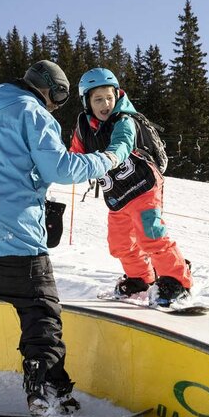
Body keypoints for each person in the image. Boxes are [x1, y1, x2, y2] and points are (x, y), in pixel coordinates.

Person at [0, 60, 130, 415]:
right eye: (59, 96)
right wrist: (109, 157)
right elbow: (60, 168)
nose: (56, 105)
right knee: (40, 312)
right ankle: (44, 386)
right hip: (14, 234)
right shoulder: (32, 112)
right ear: (50, 88)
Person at [69, 67, 193, 307]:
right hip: (118, 195)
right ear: (87, 102)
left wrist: (109, 158)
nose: (105, 103)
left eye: (109, 97)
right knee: (120, 243)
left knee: (151, 235)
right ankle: (140, 279)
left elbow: (122, 144)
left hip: (143, 187)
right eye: (98, 99)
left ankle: (178, 281)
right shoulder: (83, 128)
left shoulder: (124, 121)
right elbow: (73, 157)